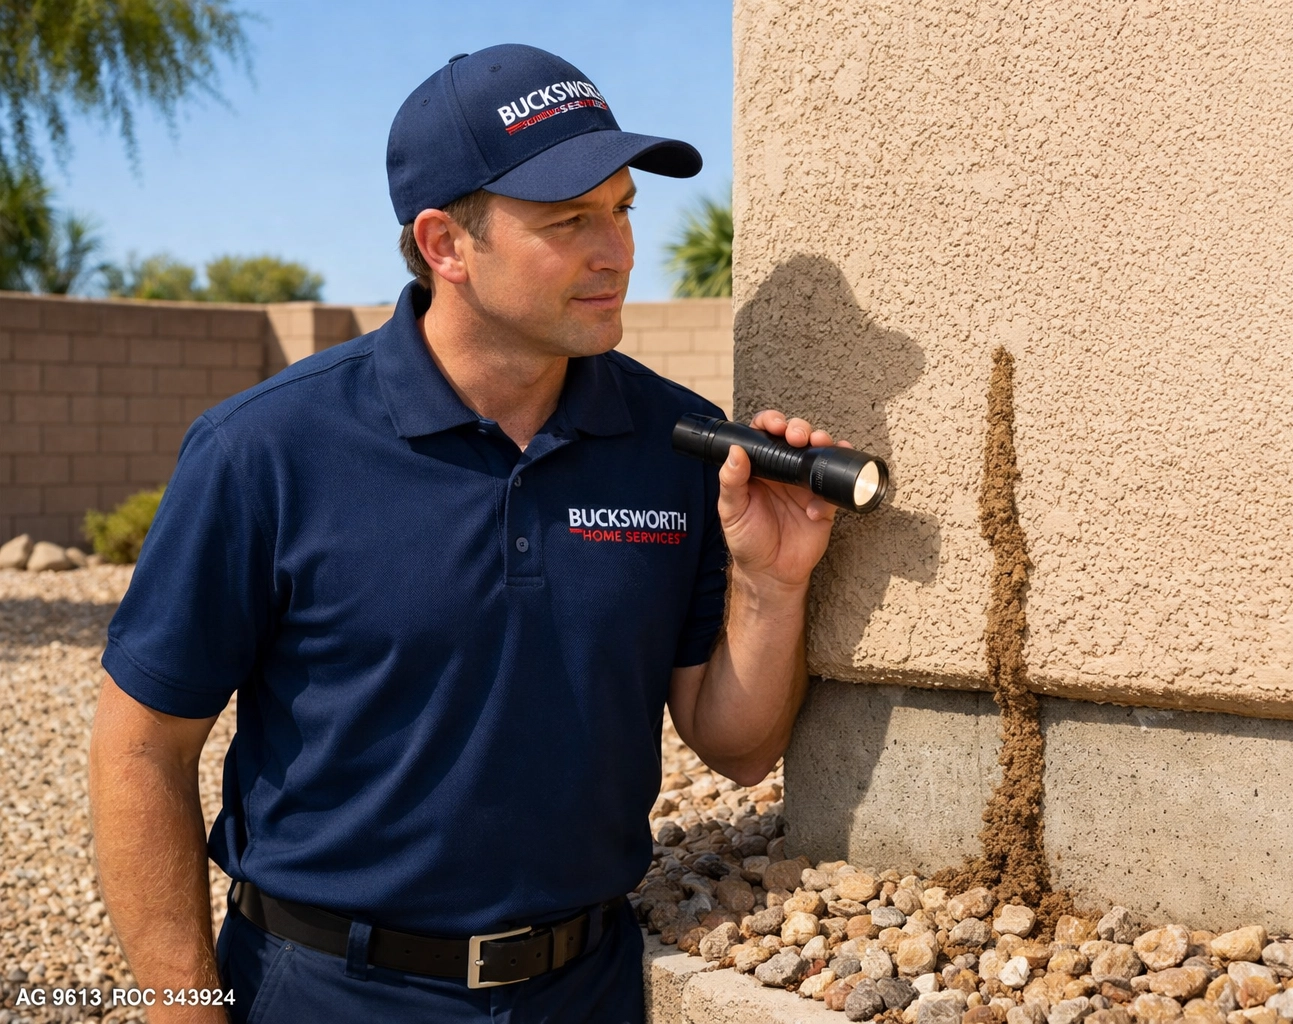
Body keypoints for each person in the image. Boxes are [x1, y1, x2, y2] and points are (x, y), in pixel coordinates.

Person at [88, 43, 847, 1023]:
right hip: (323, 989)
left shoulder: (676, 448)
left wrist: (772, 583)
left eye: (621, 209)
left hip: (588, 988)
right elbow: (139, 749)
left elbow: (737, 745)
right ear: (447, 243)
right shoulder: (265, 451)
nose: (614, 249)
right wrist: (183, 1010)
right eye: (567, 219)